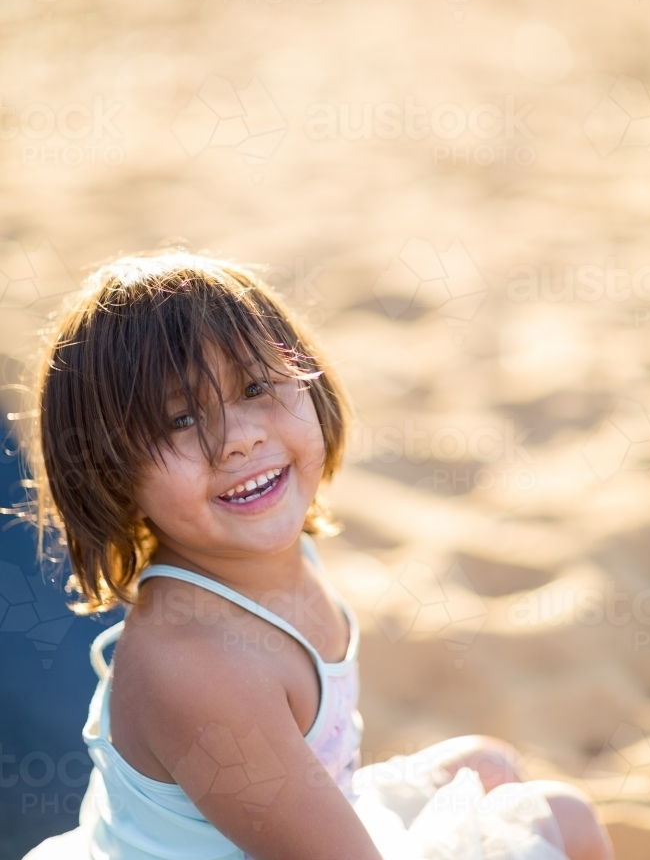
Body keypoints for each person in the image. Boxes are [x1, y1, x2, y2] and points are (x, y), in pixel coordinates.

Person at [23, 253, 612, 860]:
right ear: (111, 475)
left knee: (488, 765)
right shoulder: (195, 665)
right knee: (564, 820)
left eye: (255, 387)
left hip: (312, 814)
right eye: (180, 419)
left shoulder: (269, 550)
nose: (239, 438)